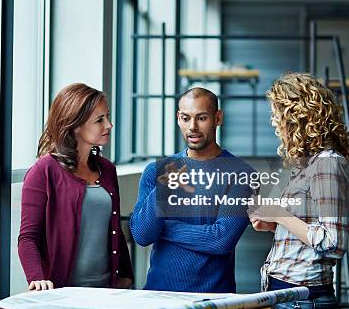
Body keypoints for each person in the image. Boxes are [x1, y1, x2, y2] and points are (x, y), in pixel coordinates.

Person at [250, 73, 349, 309]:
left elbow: (333, 243)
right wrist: (273, 224)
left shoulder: (327, 164)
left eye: (277, 113)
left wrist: (280, 215)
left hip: (304, 304)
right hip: (284, 296)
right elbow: (306, 228)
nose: (273, 121)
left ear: (298, 117)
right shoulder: (304, 165)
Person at [130, 87, 255, 292]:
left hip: (215, 299)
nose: (193, 127)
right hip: (157, 295)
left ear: (218, 118)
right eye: (186, 118)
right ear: (178, 118)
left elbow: (220, 240)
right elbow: (143, 235)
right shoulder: (155, 171)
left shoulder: (241, 174)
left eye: (202, 118)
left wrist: (163, 229)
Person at [18, 83, 134, 291]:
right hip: (63, 292)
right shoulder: (43, 170)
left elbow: (114, 228)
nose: (109, 125)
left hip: (108, 290)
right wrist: (36, 278)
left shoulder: (107, 169)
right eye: (100, 120)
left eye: (107, 116)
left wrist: (126, 274)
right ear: (74, 125)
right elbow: (28, 237)